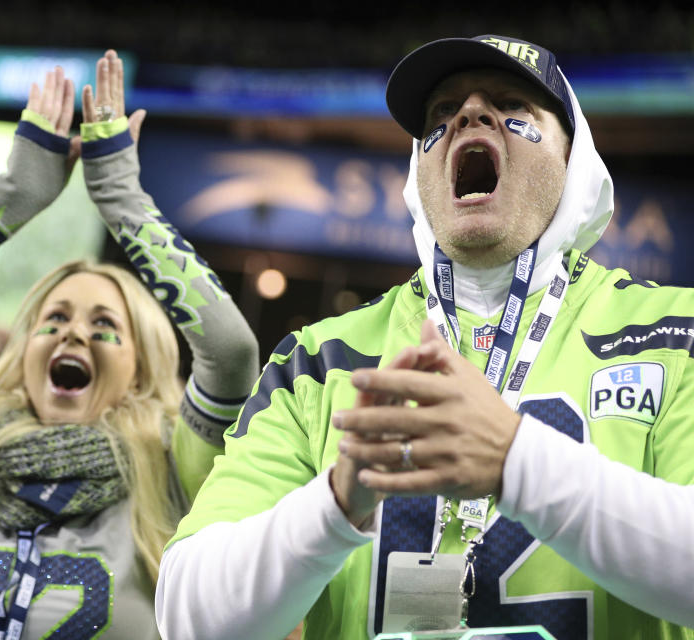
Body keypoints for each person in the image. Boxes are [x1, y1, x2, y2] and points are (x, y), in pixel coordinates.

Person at [156, 35, 694, 640]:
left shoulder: (674, 337)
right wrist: (333, 504)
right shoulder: (319, 361)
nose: (469, 114)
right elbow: (188, 618)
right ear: (419, 170)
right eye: (442, 114)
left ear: (574, 163)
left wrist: (517, 463)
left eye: (513, 106)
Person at [0, 50, 258, 640]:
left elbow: (232, 352)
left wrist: (120, 196)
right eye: (55, 318)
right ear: (24, 354)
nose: (73, 333)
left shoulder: (172, 468)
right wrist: (15, 195)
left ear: (140, 370)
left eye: (104, 326)